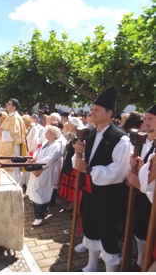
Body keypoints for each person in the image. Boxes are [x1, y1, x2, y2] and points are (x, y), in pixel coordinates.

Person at [73, 87, 132, 272]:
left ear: (110, 113)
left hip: (109, 197)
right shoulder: (89, 135)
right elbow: (79, 163)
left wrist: (89, 169)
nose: (93, 112)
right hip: (90, 192)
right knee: (90, 227)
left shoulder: (121, 139)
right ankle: (91, 264)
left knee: (108, 233)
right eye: (92, 109)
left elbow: (118, 171)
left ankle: (111, 270)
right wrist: (78, 155)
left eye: (97, 109)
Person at [126, 105, 156, 269]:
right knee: (138, 227)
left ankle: (145, 260)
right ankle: (140, 258)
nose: (146, 122)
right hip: (139, 196)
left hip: (151, 199)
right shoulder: (143, 141)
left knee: (148, 229)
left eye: (151, 119)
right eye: (145, 118)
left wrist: (140, 179)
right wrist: (136, 166)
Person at [27, 125, 64, 226]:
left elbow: (49, 159)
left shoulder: (57, 145)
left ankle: (39, 217)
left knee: (38, 192)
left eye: (47, 132)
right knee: (37, 191)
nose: (45, 133)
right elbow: (38, 152)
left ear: (53, 135)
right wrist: (33, 158)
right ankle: (42, 213)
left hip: (46, 171)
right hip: (38, 169)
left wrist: (37, 162)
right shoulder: (45, 142)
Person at [0, 98, 28, 184]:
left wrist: (2, 132)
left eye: (9, 104)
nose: (6, 105)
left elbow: (16, 135)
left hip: (12, 149)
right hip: (5, 147)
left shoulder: (16, 118)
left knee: (12, 172)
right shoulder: (9, 116)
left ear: (14, 107)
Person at [59, 116, 86, 212]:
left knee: (74, 185)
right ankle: (71, 200)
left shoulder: (78, 137)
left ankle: (74, 203)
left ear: (74, 126)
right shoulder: (71, 135)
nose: (68, 125)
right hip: (69, 161)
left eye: (70, 124)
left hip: (73, 164)